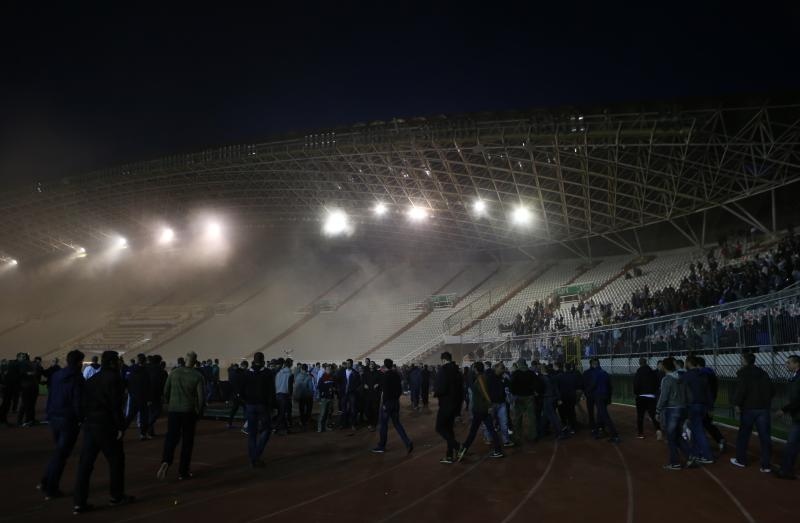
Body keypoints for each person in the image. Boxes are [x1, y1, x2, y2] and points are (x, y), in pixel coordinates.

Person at [73, 350, 134, 514]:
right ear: (113, 363)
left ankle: (79, 502)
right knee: (116, 461)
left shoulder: (91, 380)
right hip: (106, 426)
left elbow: (81, 403)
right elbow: (116, 406)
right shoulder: (115, 379)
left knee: (85, 465)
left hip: (90, 425)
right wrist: (120, 427)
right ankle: (116, 496)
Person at [39, 350, 84, 500]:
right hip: (68, 419)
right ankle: (51, 488)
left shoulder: (57, 375)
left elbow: (51, 396)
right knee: (61, 454)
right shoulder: (77, 378)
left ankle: (46, 481)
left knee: (58, 452)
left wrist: (49, 414)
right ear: (79, 362)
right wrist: (81, 419)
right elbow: (78, 401)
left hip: (54, 417)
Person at [157, 351, 204, 481]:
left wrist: (170, 402)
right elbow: (201, 398)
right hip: (188, 412)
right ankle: (183, 471)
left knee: (171, 438)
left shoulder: (174, 373)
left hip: (174, 410)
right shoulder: (197, 376)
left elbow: (166, 391)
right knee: (187, 442)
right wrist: (200, 412)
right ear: (195, 362)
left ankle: (166, 461)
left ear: (184, 360)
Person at [730, 352, 775, 472]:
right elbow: (772, 390)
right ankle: (766, 465)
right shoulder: (763, 373)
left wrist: (736, 403)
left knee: (743, 435)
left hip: (748, 408)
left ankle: (741, 460)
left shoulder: (743, 373)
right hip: (763, 409)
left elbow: (741, 390)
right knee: (765, 437)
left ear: (745, 361)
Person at [458, 362, 503, 460]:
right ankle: (498, 450)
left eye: (473, 368)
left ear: (476, 369)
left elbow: (484, 393)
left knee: (473, 431)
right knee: (491, 429)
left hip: (480, 409)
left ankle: (464, 448)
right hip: (483, 409)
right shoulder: (483, 377)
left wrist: (489, 404)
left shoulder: (480, 378)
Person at [241, 352, 275, 468]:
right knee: (266, 429)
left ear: (253, 360)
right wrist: (271, 406)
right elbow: (271, 391)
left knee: (252, 433)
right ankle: (256, 456)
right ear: (263, 360)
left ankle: (253, 458)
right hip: (262, 405)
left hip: (250, 405)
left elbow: (241, 390)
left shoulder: (246, 373)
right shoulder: (267, 373)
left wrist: (246, 401)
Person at [656, 357, 691, 470]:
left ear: (665, 366)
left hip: (672, 409)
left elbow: (664, 396)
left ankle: (674, 462)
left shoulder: (666, 379)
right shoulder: (681, 377)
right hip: (682, 408)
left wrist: (658, 410)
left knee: (671, 437)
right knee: (677, 435)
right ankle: (690, 455)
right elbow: (688, 394)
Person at [371, 359, 413, 454]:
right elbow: (399, 390)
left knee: (383, 425)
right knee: (397, 423)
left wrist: (385, 404)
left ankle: (382, 446)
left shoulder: (386, 376)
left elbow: (386, 391)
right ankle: (407, 442)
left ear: (385, 366)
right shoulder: (396, 375)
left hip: (388, 403)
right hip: (395, 402)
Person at [683, 357, 715, 464]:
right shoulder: (703, 375)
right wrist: (710, 408)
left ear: (688, 363)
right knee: (696, 429)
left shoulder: (687, 376)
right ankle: (696, 453)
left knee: (698, 431)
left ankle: (707, 455)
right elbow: (708, 393)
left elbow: (684, 393)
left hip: (693, 406)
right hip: (703, 406)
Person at [434, 352, 463, 464]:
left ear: (443, 360)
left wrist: (436, 392)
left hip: (446, 403)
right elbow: (461, 390)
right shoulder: (457, 370)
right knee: (449, 430)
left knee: (439, 427)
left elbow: (441, 388)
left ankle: (458, 446)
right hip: (455, 405)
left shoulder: (443, 370)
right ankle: (449, 455)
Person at [774, 354, 799, 479]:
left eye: (788, 363)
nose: (786, 365)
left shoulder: (798, 378)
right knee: (792, 444)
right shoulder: (795, 377)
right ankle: (786, 469)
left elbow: (798, 400)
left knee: (791, 444)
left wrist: (784, 410)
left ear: (796, 363)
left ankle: (785, 470)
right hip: (797, 416)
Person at [586, 358, 619, 443]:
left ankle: (614, 434)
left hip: (599, 396)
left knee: (604, 415)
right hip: (605, 396)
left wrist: (587, 391)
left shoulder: (595, 374)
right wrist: (609, 398)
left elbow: (593, 385)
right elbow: (610, 387)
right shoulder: (605, 373)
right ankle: (598, 432)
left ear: (593, 364)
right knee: (600, 415)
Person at [697, 357, 726, 452]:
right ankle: (719, 439)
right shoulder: (711, 373)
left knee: (701, 424)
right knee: (707, 423)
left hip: (704, 403)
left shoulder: (703, 375)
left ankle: (704, 446)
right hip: (710, 401)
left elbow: (705, 390)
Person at [510, 359, 539, 444]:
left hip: (518, 397)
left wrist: (514, 393)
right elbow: (536, 383)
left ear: (519, 364)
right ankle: (533, 436)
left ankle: (517, 437)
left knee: (517, 418)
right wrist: (534, 391)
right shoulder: (531, 373)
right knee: (531, 417)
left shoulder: (516, 373)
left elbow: (511, 385)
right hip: (529, 397)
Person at [633, 358, 662, 440]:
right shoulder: (652, 372)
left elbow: (636, 384)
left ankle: (640, 433)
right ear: (646, 363)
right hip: (651, 396)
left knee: (640, 416)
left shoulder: (638, 373)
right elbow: (656, 383)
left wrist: (637, 393)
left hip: (641, 396)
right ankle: (658, 430)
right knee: (653, 415)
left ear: (639, 363)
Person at [125, 354, 151, 440]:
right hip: (143, 397)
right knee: (144, 416)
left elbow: (127, 381)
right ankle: (143, 434)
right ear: (144, 360)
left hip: (132, 395)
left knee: (130, 416)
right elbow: (148, 385)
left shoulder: (130, 369)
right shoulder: (146, 370)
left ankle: (120, 431)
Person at [145, 355, 168, 437]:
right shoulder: (161, 371)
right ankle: (148, 427)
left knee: (150, 412)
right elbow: (164, 384)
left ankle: (150, 431)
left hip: (146, 393)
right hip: (156, 394)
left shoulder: (146, 368)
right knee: (157, 411)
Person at [227, 360, 248, 428]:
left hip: (236, 394)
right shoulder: (244, 373)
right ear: (245, 366)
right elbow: (243, 385)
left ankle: (229, 423)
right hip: (242, 395)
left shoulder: (234, 373)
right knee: (246, 409)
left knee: (234, 409)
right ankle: (245, 424)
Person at [274, 359, 292, 434]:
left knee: (281, 412)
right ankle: (276, 428)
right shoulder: (290, 373)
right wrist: (290, 395)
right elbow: (290, 386)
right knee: (282, 413)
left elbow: (275, 384)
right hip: (285, 395)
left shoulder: (279, 373)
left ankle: (287, 429)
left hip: (278, 394)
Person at [293, 364, 314, 428]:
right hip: (307, 395)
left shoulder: (297, 376)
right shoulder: (309, 377)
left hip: (300, 395)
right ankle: (307, 420)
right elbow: (310, 388)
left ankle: (302, 421)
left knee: (301, 409)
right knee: (308, 409)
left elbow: (296, 386)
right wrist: (312, 394)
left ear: (301, 369)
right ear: (306, 369)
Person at [363, 361, 381, 431]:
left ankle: (374, 424)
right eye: (371, 364)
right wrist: (364, 384)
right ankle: (369, 423)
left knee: (375, 409)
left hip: (375, 394)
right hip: (368, 394)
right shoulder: (366, 373)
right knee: (368, 409)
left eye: (373, 365)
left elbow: (381, 381)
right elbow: (363, 381)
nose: (372, 366)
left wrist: (378, 384)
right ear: (369, 366)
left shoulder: (378, 373)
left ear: (374, 365)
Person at [317, 365, 336, 432]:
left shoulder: (332, 378)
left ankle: (325, 427)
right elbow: (319, 388)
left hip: (330, 398)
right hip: (324, 398)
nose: (329, 370)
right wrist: (320, 398)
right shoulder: (322, 378)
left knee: (328, 414)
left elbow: (334, 387)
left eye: (329, 369)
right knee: (322, 413)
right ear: (325, 370)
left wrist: (333, 390)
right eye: (327, 369)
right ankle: (319, 428)